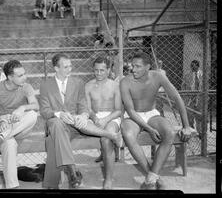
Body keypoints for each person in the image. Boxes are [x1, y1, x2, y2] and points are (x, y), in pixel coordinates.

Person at [39, 53, 122, 189]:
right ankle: (72, 172)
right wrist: (59, 114)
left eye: (70, 66)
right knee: (56, 124)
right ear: (56, 68)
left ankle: (54, 182)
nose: (70, 69)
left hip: (75, 124)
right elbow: (44, 111)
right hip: (56, 123)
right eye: (66, 67)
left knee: (52, 141)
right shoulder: (46, 85)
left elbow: (83, 106)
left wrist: (83, 116)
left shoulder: (78, 83)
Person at [120, 51, 195, 190]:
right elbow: (130, 110)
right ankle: (154, 177)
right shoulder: (125, 81)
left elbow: (177, 97)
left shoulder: (158, 76)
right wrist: (149, 129)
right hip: (133, 116)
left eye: (137, 66)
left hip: (151, 113)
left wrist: (186, 125)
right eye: (132, 66)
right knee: (128, 134)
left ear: (148, 67)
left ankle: (150, 179)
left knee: (170, 133)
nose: (133, 69)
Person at [0, 60, 39, 189]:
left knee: (33, 114)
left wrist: (22, 107)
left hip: (21, 126)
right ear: (10, 77)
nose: (25, 77)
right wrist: (0, 121)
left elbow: (35, 105)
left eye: (24, 74)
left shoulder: (26, 87)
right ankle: (13, 187)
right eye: (20, 75)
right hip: (4, 124)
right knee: (9, 144)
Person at [85, 56, 122, 189]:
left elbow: (118, 110)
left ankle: (108, 179)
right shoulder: (88, 86)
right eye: (96, 70)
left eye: (102, 70)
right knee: (83, 124)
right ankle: (109, 147)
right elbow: (88, 109)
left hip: (112, 117)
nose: (99, 73)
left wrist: (105, 120)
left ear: (108, 70)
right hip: (95, 117)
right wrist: (95, 118)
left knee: (106, 140)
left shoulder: (115, 86)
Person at [181, 60, 203, 137]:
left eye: (193, 66)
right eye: (191, 65)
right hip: (190, 98)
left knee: (199, 116)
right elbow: (183, 86)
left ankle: (200, 132)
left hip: (199, 98)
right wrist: (184, 96)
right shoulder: (187, 75)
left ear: (198, 66)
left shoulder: (202, 75)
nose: (192, 67)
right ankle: (191, 130)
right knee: (189, 115)